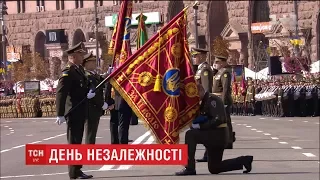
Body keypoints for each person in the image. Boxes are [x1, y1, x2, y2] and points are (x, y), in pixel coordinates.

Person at [175, 84, 253, 176]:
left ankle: (190, 167)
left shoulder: (212, 100)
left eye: (194, 94)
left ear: (200, 91)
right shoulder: (203, 102)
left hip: (218, 135)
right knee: (214, 168)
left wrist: (201, 126)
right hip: (214, 135)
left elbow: (218, 119)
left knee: (190, 135)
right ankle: (244, 160)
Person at [55, 42, 95, 179]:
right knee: (73, 143)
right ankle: (73, 173)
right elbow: (61, 93)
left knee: (77, 142)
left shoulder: (78, 69)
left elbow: (82, 87)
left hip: (80, 111)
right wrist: (60, 114)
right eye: (80, 54)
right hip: (73, 111)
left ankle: (78, 169)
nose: (82, 57)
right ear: (73, 56)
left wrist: (89, 91)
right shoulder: (68, 71)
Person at [196, 54, 235, 163]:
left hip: (220, 101)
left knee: (223, 123)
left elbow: (226, 89)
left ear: (223, 63)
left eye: (217, 62)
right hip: (215, 101)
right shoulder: (217, 73)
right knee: (216, 126)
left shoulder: (225, 72)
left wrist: (222, 102)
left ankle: (227, 141)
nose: (215, 63)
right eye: (215, 62)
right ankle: (208, 153)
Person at [82, 52, 110, 144]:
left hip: (94, 109)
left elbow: (100, 81)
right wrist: (102, 104)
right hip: (91, 109)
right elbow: (94, 93)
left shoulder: (93, 75)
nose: (95, 63)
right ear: (86, 64)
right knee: (90, 134)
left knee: (92, 134)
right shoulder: (87, 75)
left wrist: (108, 74)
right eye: (92, 62)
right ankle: (88, 154)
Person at [105, 66, 132, 144]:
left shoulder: (113, 70)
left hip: (114, 101)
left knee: (115, 123)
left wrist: (108, 101)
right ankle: (122, 144)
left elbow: (108, 86)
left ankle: (115, 143)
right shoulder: (127, 71)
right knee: (122, 125)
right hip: (123, 102)